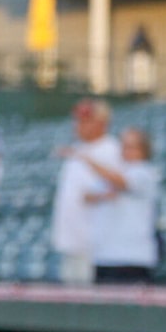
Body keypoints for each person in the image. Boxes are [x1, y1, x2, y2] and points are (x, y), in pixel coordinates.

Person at [51, 100, 128, 284]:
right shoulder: (78, 149)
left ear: (101, 123)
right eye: (77, 120)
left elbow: (116, 191)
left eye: (85, 120)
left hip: (94, 245)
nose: (78, 125)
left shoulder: (112, 149)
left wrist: (93, 197)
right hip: (72, 242)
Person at [90, 126, 161, 284]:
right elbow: (87, 196)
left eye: (131, 146)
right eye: (123, 146)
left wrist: (87, 159)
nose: (125, 150)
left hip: (132, 258)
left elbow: (123, 182)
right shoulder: (117, 173)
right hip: (104, 256)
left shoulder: (145, 172)